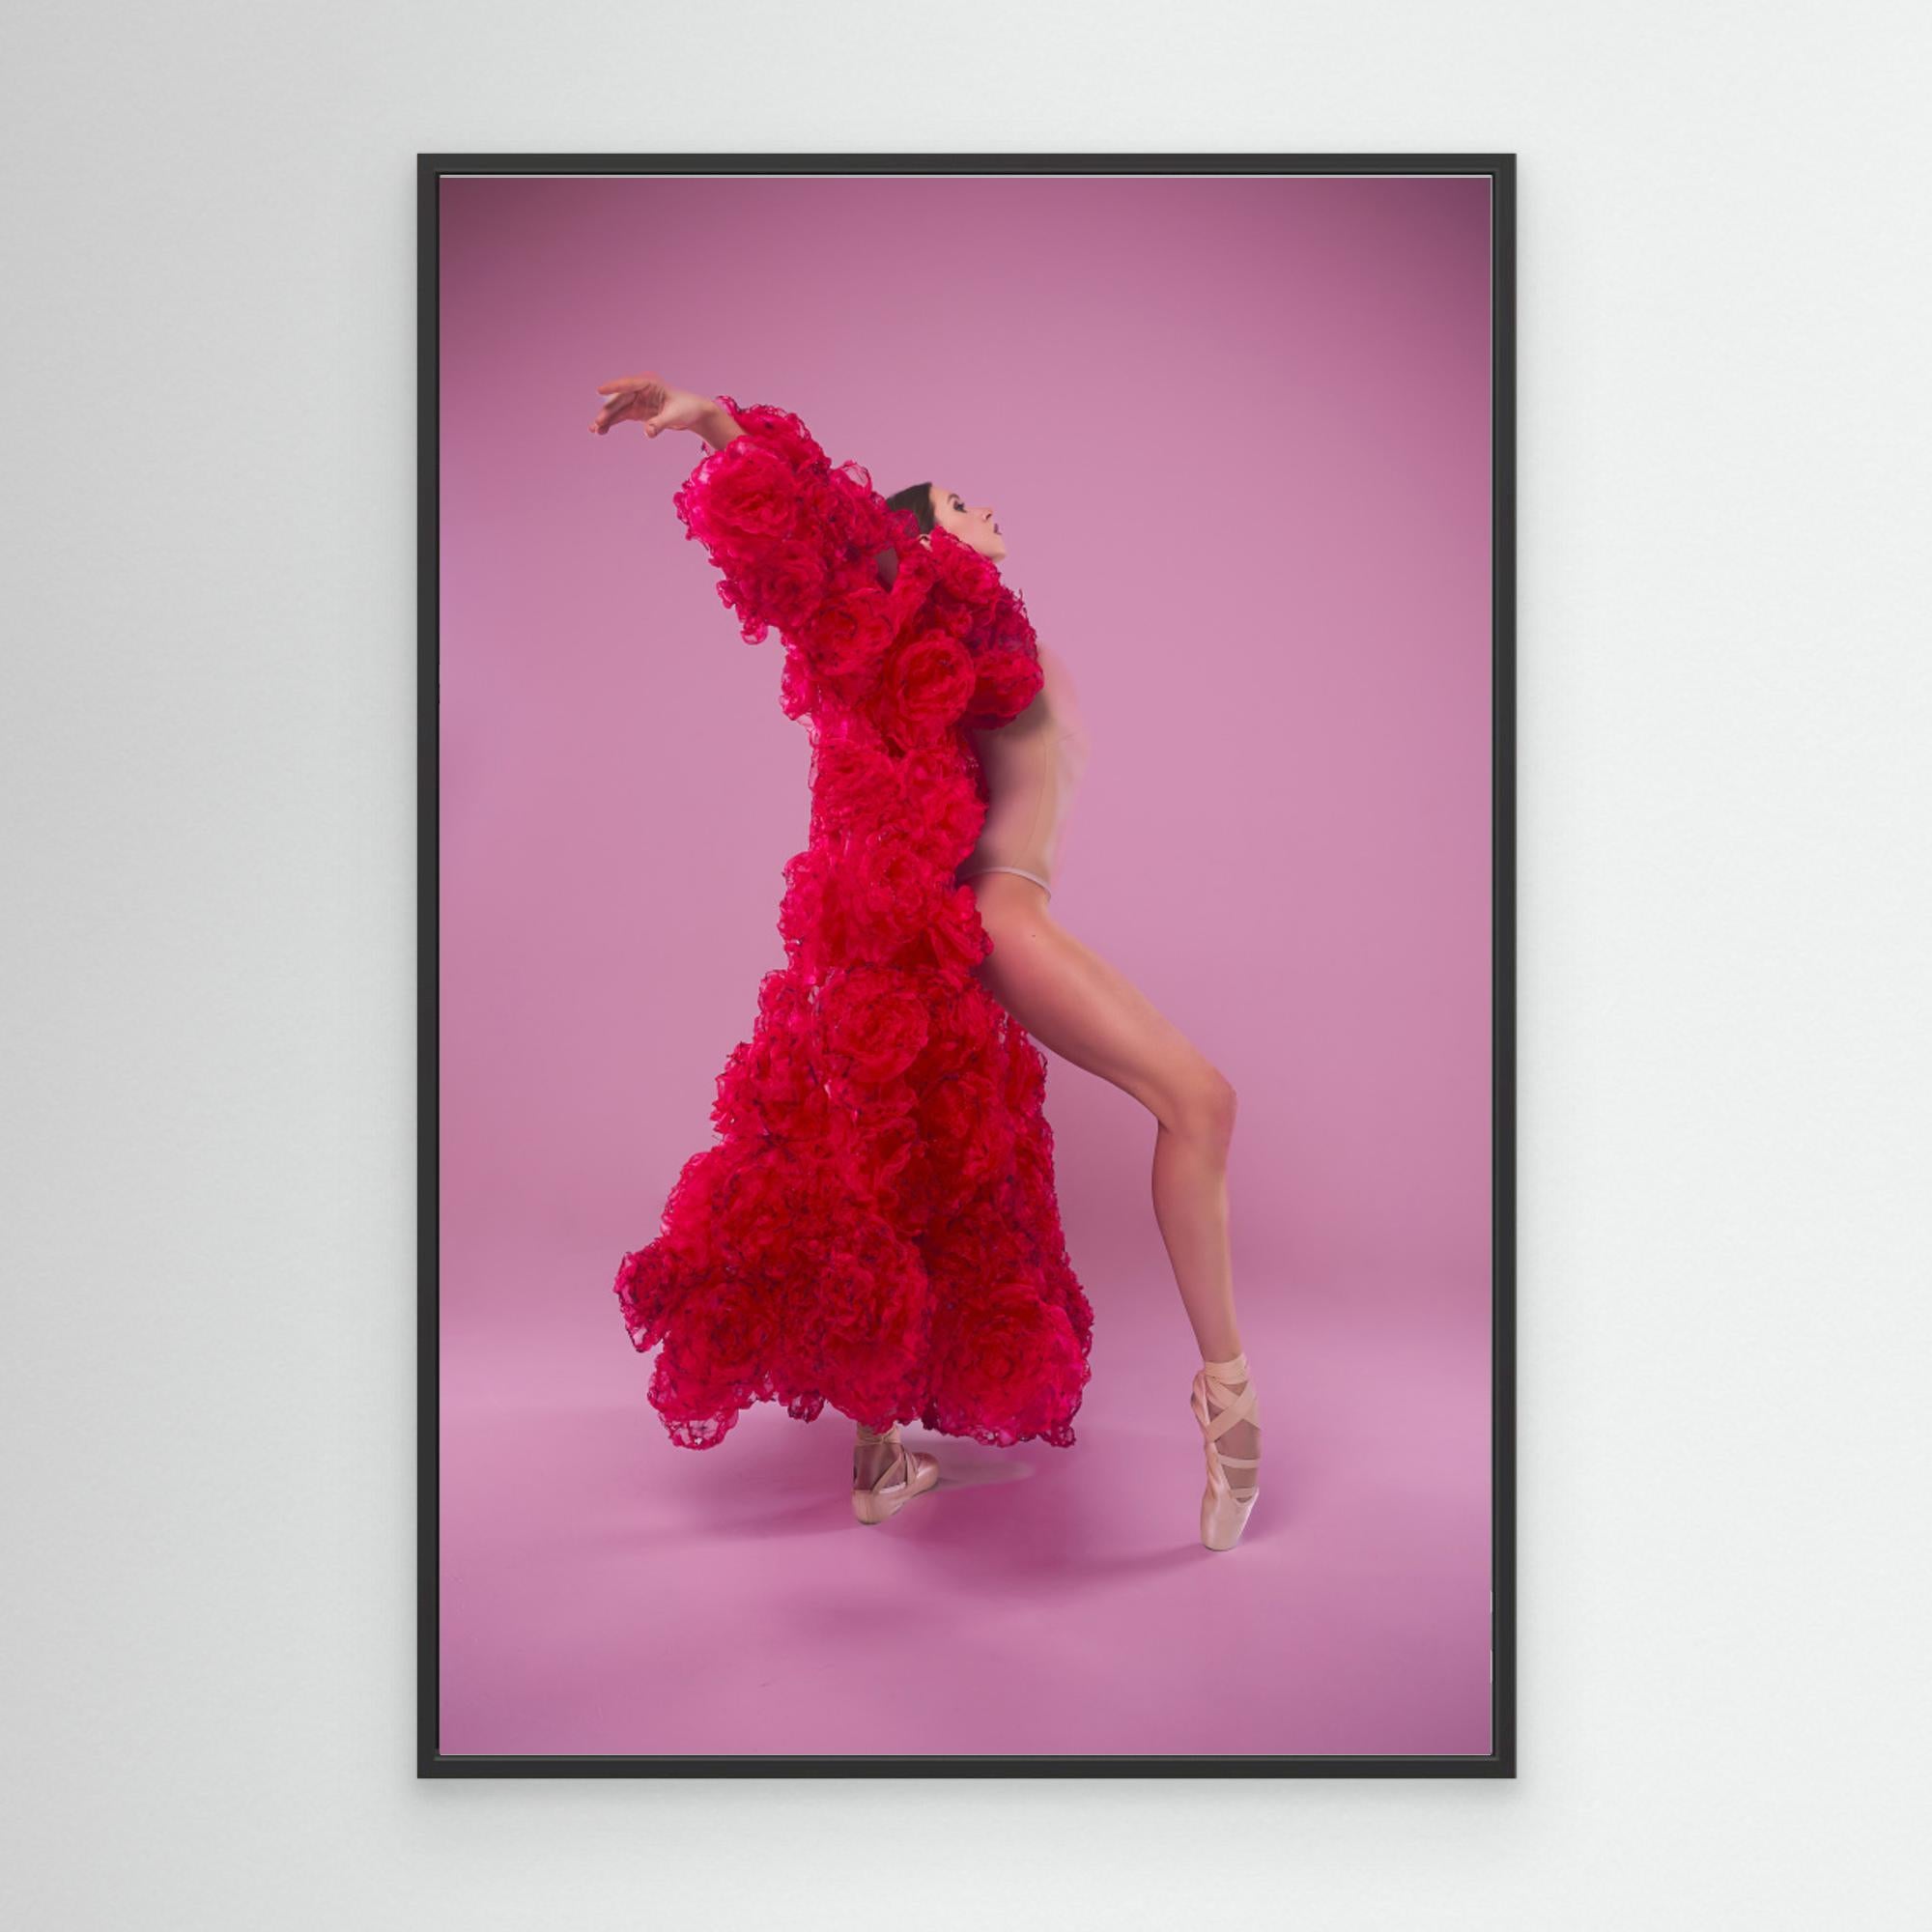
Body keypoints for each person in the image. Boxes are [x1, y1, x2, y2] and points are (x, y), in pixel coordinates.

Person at [591, 374, 1262, 1549]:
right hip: (1001, 916)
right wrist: (712, 425)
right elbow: (829, 545)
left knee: (908, 1186)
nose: (976, 502)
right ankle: (1231, 1404)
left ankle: (878, 1457)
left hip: (982, 922)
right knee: (1198, 1100)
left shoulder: (973, 631)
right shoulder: (925, 611)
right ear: (911, 543)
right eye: (951, 500)